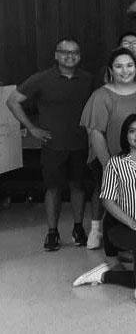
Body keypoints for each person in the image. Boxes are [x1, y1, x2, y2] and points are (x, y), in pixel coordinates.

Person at [72, 113, 136, 307]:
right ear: (125, 136)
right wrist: (132, 223)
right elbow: (107, 199)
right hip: (119, 225)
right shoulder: (115, 163)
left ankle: (104, 275)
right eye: (132, 131)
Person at [7, 39, 93, 250]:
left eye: (74, 52)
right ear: (56, 55)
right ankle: (52, 232)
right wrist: (31, 128)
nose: (70, 56)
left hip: (81, 144)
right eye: (64, 52)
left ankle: (78, 228)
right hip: (52, 145)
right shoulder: (42, 79)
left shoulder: (89, 79)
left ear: (80, 56)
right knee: (53, 189)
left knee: (78, 187)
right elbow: (12, 101)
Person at [81, 48, 136, 252]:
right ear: (110, 70)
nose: (125, 70)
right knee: (116, 207)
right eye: (119, 66)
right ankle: (113, 253)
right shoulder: (101, 95)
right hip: (112, 159)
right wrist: (110, 167)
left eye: (129, 65)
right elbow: (95, 133)